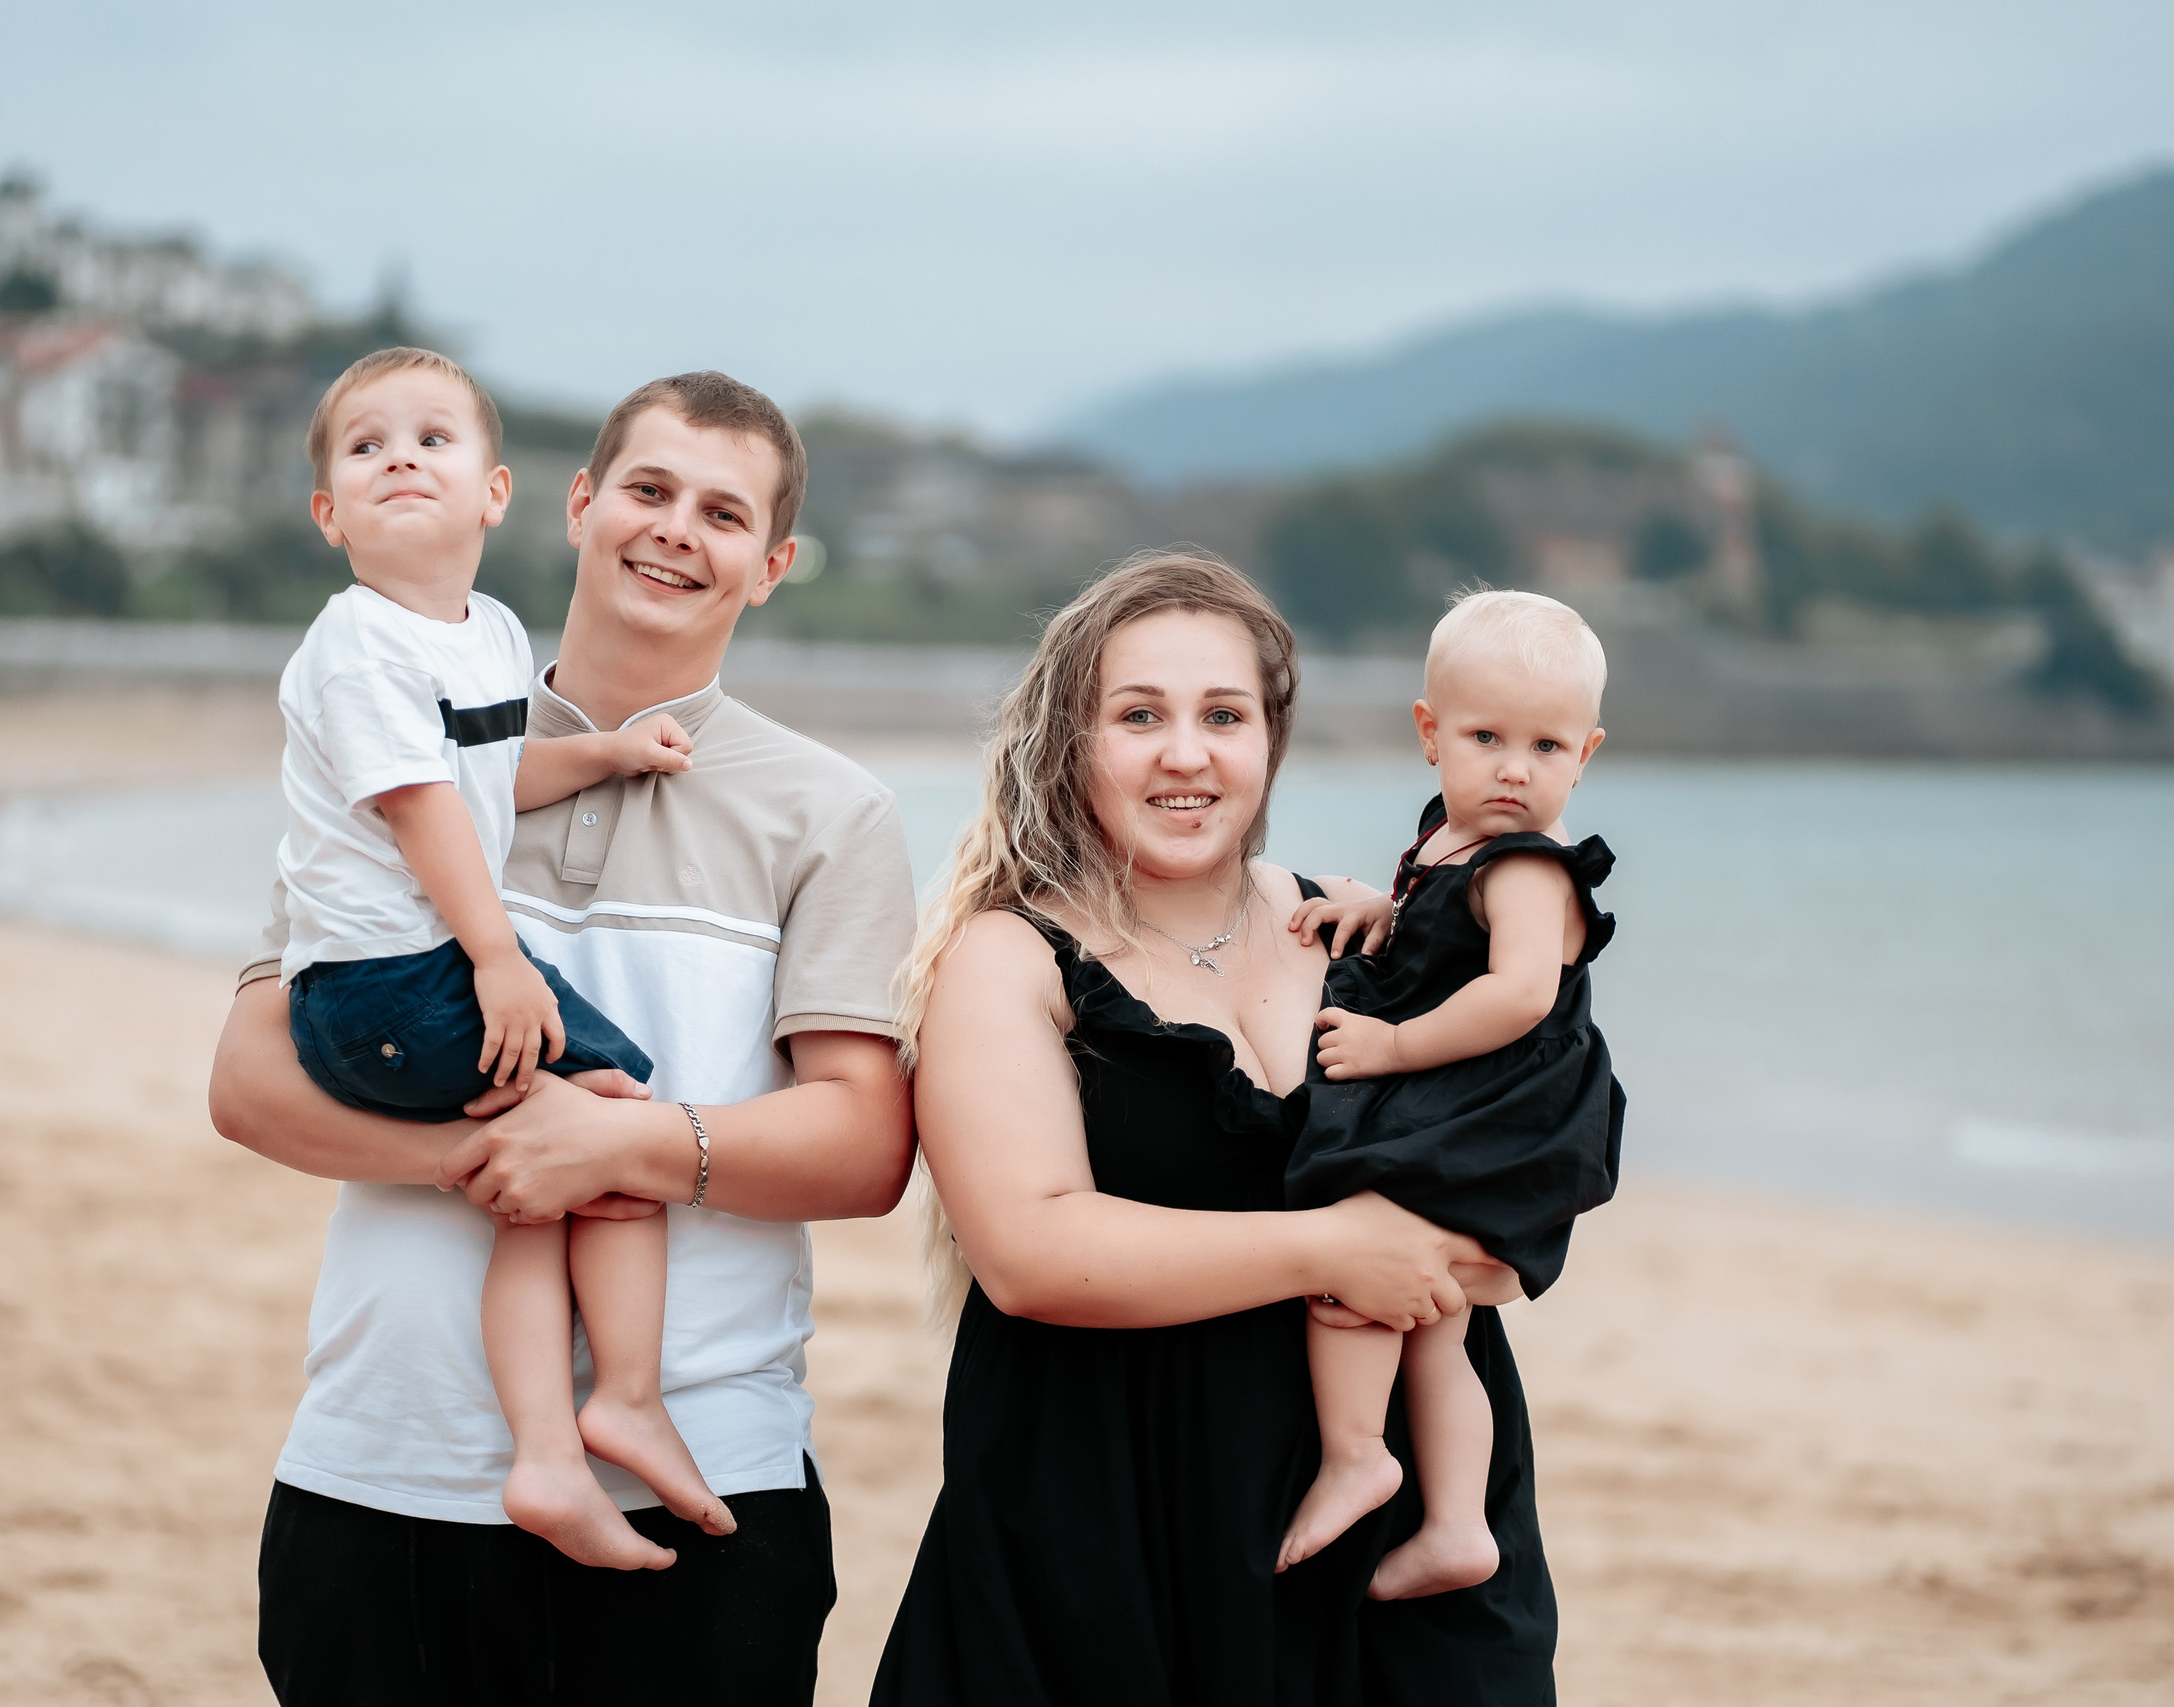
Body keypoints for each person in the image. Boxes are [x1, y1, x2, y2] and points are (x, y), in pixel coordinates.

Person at [210, 370, 917, 1706]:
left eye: (722, 513)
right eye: (648, 490)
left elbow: (867, 1143)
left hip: (708, 1477)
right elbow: (250, 1079)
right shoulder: (393, 737)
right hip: (382, 1466)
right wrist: (490, 1160)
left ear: (767, 568)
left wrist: (617, 1142)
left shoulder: (834, 810)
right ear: (580, 505)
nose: (673, 530)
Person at [871, 553, 1555, 1707]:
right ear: (1069, 743)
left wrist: (1484, 1245)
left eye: (1222, 715)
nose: (1185, 754)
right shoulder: (1005, 957)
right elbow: (1029, 1255)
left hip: (1396, 1541)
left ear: (1271, 741)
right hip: (1112, 1521)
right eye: (1139, 715)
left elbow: (1527, 1144)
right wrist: (1333, 1252)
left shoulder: (1365, 931)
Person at [274, 345, 737, 1572]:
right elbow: (423, 811)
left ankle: (549, 1446)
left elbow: (484, 779)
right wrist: (499, 959)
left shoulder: (485, 634)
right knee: (616, 1109)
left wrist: (603, 756)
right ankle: (613, 1404)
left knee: (571, 1159)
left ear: (496, 492)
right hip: (380, 985)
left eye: (434, 439)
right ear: (331, 515)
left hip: (409, 977)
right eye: (366, 449)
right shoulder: (356, 642)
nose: (401, 460)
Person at [1275, 588, 1623, 1599]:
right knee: (1433, 1322)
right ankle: (1459, 1525)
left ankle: (1356, 1457)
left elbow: (1516, 995)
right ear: (1430, 735)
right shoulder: (1450, 842)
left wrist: (1390, 1047)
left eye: (1548, 749)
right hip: (1466, 1112)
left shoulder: (1530, 871)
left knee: (1354, 1261)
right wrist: (1376, 909)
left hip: (1498, 1121)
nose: (1516, 769)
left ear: (1586, 755)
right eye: (1486, 737)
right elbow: (1437, 926)